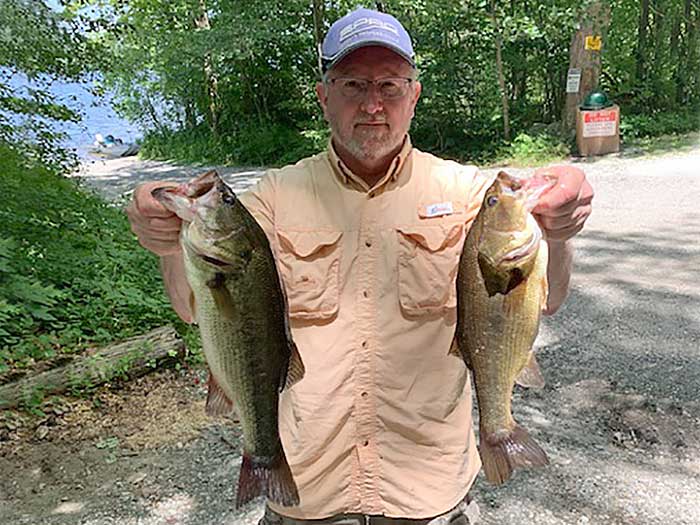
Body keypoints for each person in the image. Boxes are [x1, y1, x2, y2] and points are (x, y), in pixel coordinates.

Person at [126, 7, 593, 525]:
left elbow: (546, 296)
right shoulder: (275, 198)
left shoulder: (467, 195)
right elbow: (194, 306)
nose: (373, 104)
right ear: (324, 96)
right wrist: (167, 241)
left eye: (390, 86)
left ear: (414, 96)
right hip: (306, 496)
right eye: (353, 84)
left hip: (428, 497)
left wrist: (561, 226)